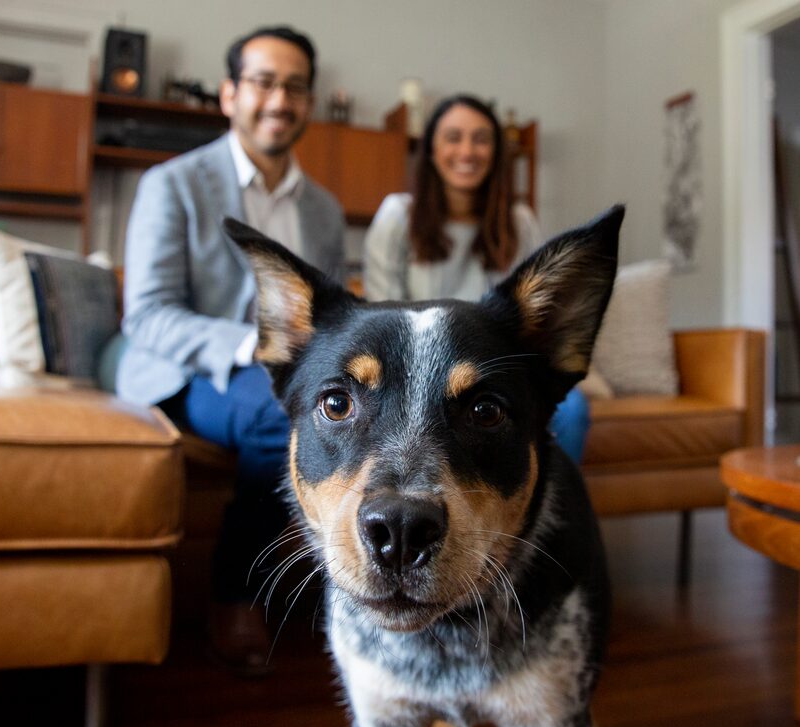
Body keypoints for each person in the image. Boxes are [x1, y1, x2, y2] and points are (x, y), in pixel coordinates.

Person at [116, 26, 345, 676]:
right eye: (264, 83)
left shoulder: (324, 209)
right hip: (192, 371)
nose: (280, 100)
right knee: (282, 420)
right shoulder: (174, 184)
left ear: (308, 101)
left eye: (295, 87)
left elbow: (326, 314)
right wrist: (253, 346)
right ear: (229, 95)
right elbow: (149, 314)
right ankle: (237, 590)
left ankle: (338, 578)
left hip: (291, 373)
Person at [364, 93, 589, 463]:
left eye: (481, 139)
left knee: (573, 412)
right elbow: (381, 311)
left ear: (496, 153)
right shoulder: (396, 216)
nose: (467, 151)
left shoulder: (519, 221)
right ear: (432, 151)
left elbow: (532, 314)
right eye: (453, 137)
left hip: (490, 370)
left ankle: (551, 512)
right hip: (412, 368)